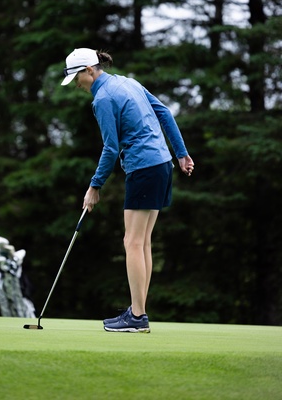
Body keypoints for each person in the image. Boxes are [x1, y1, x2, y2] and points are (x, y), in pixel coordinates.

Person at [61, 47, 194, 333]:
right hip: (162, 164)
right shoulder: (128, 82)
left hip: (143, 167)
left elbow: (110, 148)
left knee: (132, 242)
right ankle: (138, 312)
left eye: (76, 78)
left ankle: (137, 316)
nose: (76, 84)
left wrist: (94, 186)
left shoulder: (102, 99)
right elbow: (164, 112)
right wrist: (181, 153)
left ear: (89, 70)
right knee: (142, 242)